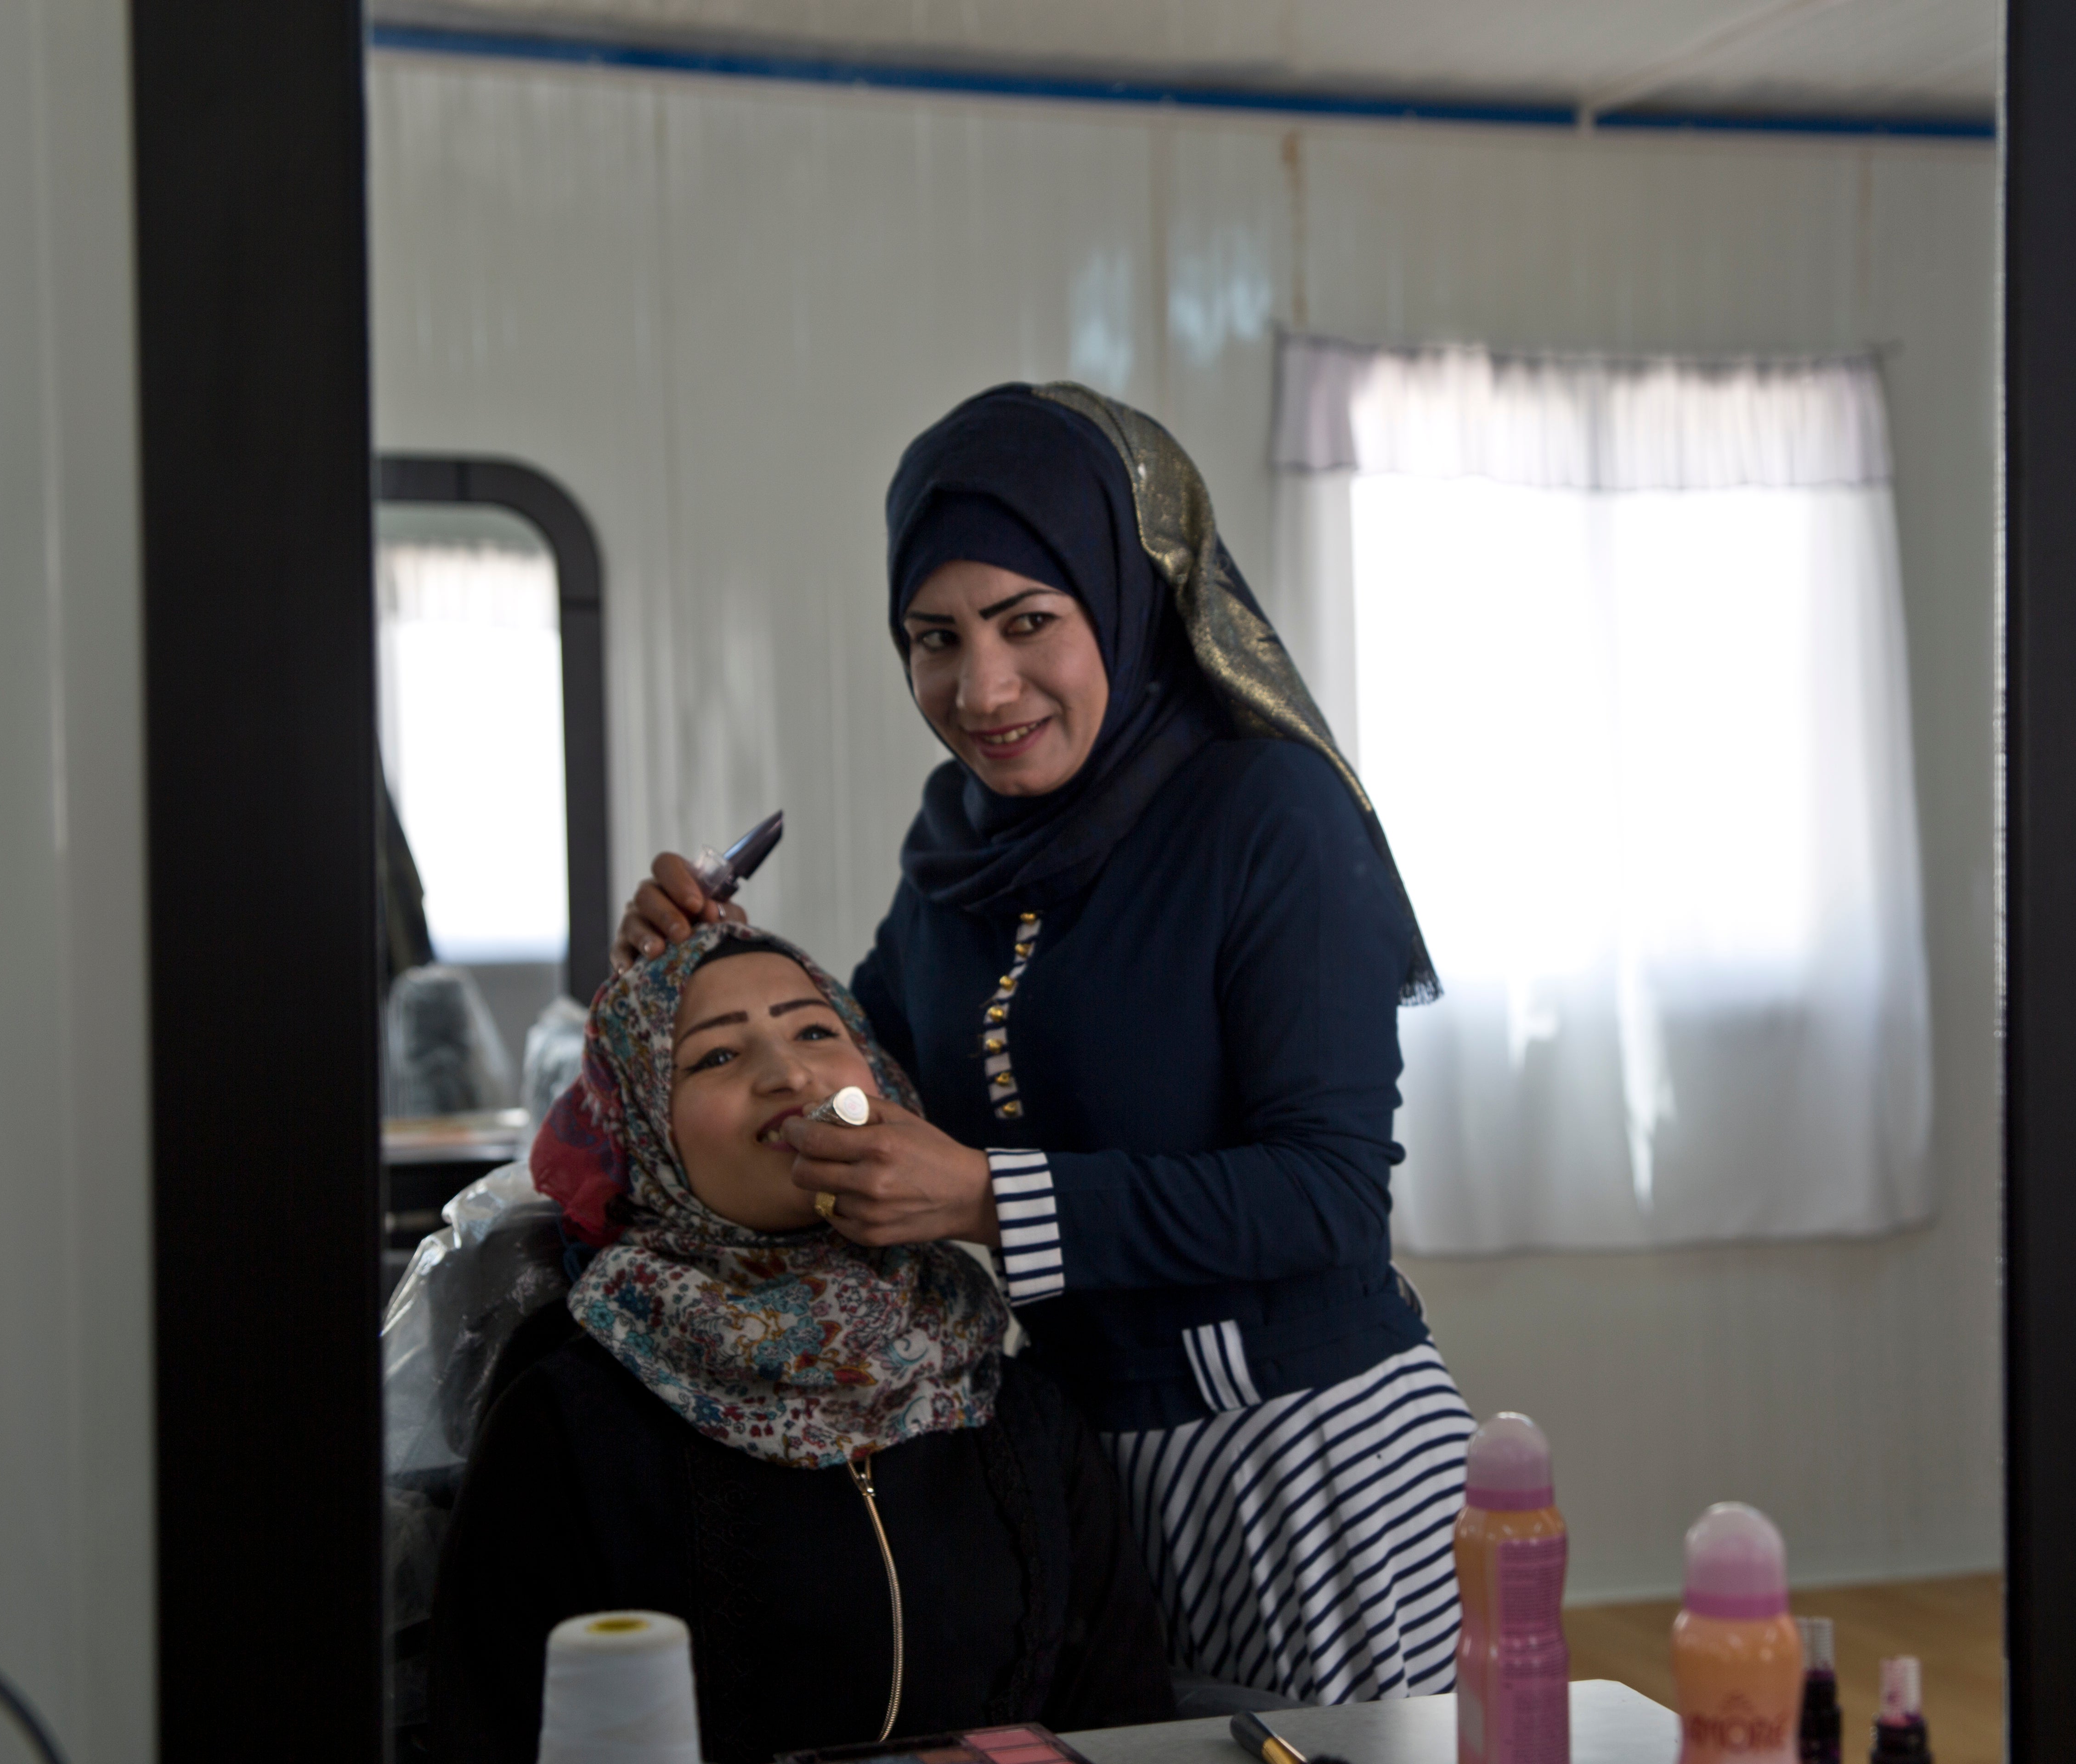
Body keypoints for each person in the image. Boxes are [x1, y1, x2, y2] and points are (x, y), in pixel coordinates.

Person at [615, 384, 1476, 1704]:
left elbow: (1329, 1192)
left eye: (1030, 624)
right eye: (934, 638)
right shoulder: (962, 848)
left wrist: (982, 1197)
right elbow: (868, 1093)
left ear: (1127, 602)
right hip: (1076, 1456)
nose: (982, 687)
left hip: (1301, 1457)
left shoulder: (1265, 814)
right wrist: (700, 976)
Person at [428, 924, 1175, 1764]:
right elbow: (486, 1728)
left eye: (817, 1031)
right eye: (714, 1058)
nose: (788, 1074)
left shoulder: (1012, 1405)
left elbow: (1124, 1723)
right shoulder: (568, 1422)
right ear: (644, 1129)